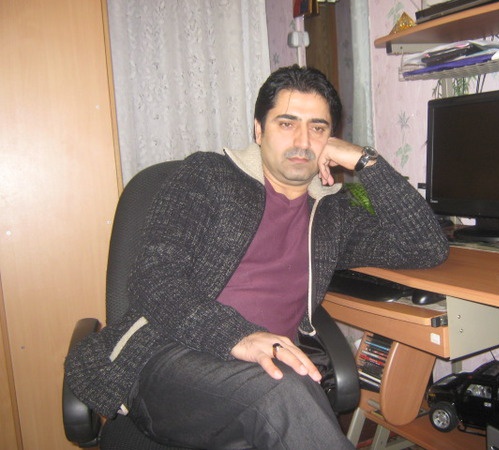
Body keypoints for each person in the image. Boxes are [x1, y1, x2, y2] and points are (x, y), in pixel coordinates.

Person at [66, 65, 449, 449]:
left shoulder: (332, 216)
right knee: (283, 390)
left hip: (266, 374)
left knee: (287, 389)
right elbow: (154, 278)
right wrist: (238, 336)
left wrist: (366, 161)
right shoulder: (208, 176)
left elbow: (425, 247)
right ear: (259, 130)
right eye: (287, 123)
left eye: (317, 128)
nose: (302, 141)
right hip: (168, 359)